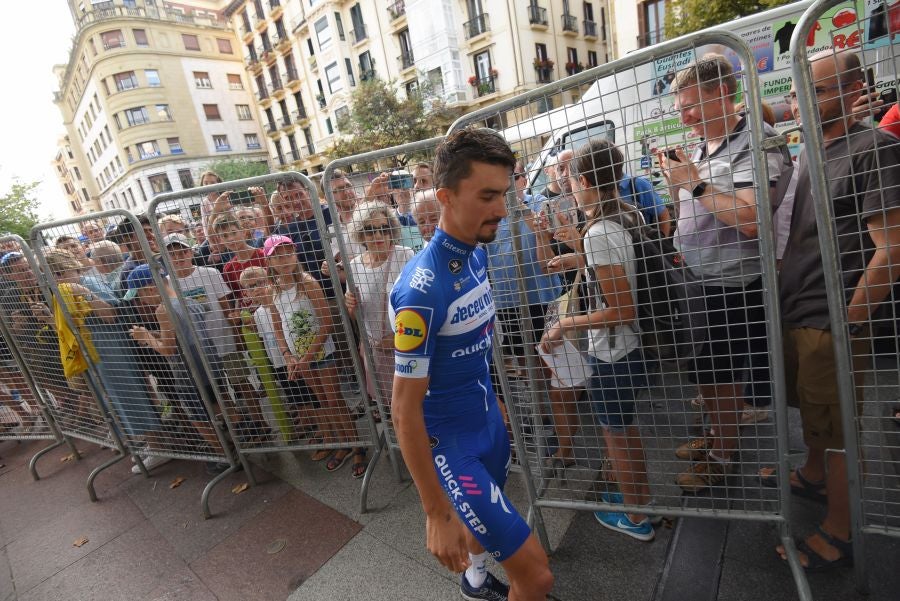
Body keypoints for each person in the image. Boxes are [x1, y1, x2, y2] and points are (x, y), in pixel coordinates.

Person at [390, 128, 553, 601]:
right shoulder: (422, 288)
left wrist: (493, 403)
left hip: (487, 422)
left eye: (503, 193)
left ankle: (475, 580)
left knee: (485, 532)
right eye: (487, 195)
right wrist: (436, 511)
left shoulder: (477, 251)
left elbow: (474, 349)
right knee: (537, 577)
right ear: (445, 196)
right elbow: (403, 410)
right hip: (452, 448)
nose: (502, 208)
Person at [774, 51, 900, 570]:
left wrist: (847, 320)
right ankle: (812, 474)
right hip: (802, 308)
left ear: (853, 92)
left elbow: (892, 248)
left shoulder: (876, 148)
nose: (807, 98)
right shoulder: (812, 148)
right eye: (804, 88)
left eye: (820, 89)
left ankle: (841, 533)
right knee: (817, 416)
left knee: (840, 427)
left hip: (832, 316)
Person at [657, 53, 793, 492]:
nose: (685, 116)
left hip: (731, 284)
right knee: (707, 374)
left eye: (691, 105)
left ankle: (722, 457)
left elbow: (752, 219)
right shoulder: (700, 146)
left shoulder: (758, 140)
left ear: (722, 94)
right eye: (680, 108)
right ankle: (717, 437)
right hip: (697, 279)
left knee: (722, 376)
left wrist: (693, 183)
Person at [540, 139, 656, 541]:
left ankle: (636, 517)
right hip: (630, 347)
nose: (568, 185)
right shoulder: (625, 213)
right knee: (624, 429)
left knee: (616, 435)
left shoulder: (600, 230)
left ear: (585, 180)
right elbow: (622, 269)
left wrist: (564, 324)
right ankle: (639, 501)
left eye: (569, 179)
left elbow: (622, 309)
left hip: (615, 351)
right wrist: (578, 259)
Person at [266, 235, 364, 475]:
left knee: (334, 400)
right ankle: (341, 443)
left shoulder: (307, 283)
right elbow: (277, 326)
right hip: (300, 358)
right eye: (277, 256)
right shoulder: (272, 290)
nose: (284, 259)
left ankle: (358, 447)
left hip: (320, 354)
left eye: (288, 253)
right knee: (320, 401)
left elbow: (326, 321)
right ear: (270, 262)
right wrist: (288, 356)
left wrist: (308, 356)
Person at [343, 201, 414, 423]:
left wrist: (397, 338)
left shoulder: (405, 256)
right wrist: (350, 306)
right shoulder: (354, 266)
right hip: (373, 349)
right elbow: (356, 315)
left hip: (405, 348)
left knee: (413, 405)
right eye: (370, 230)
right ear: (361, 235)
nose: (378, 235)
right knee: (391, 408)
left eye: (384, 228)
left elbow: (418, 306)